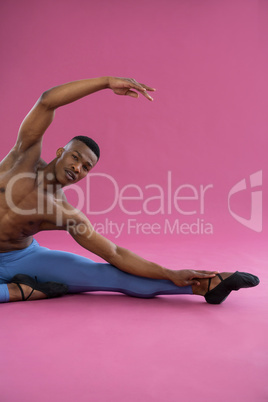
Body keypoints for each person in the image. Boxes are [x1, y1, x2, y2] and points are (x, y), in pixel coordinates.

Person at [0, 76, 259, 304]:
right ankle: (20, 291)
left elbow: (115, 254)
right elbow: (47, 101)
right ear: (60, 152)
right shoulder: (22, 158)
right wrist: (106, 82)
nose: (77, 168)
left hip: (21, 257)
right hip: (16, 268)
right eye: (75, 157)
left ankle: (204, 286)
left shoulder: (66, 214)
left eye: (86, 167)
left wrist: (170, 272)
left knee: (105, 275)